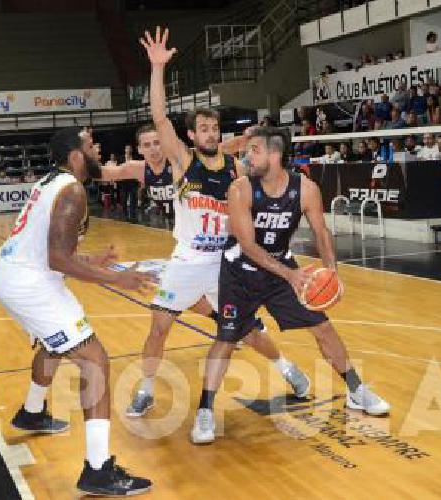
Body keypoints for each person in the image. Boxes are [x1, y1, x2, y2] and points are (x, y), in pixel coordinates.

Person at [126, 26, 312, 418]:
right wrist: (158, 68)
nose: (211, 133)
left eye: (215, 128)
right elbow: (159, 116)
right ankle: (144, 390)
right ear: (192, 135)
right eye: (204, 129)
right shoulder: (183, 161)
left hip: (227, 263)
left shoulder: (236, 167)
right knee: (159, 325)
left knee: (248, 330)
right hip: (189, 260)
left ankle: (289, 370)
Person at [190, 126, 391, 444]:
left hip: (281, 271)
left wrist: (331, 272)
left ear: (275, 154)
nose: (246, 156)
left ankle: (356, 390)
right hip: (240, 273)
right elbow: (248, 245)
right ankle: (205, 411)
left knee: (323, 327)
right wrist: (291, 275)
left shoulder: (305, 189)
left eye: (254, 150)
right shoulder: (241, 188)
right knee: (226, 340)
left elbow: (322, 232)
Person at [0, 127, 154, 496]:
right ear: (76, 156)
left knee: (56, 344)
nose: (97, 150)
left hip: (11, 273)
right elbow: (57, 258)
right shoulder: (73, 190)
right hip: (30, 283)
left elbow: (50, 249)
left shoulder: (51, 182)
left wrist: (92, 261)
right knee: (93, 359)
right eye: (91, 146)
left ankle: (32, 412)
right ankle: (98, 470)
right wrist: (115, 279)